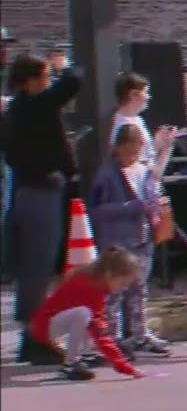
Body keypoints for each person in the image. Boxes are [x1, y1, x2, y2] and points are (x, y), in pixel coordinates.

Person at [3, 53, 82, 365]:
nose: (49, 82)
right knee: (38, 266)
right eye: (45, 76)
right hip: (40, 193)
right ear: (32, 80)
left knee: (32, 268)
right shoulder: (35, 105)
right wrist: (64, 65)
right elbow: (72, 83)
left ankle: (30, 335)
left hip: (26, 193)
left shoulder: (15, 111)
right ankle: (36, 338)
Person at [86, 123, 172, 358]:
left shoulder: (143, 171)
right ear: (119, 148)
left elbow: (152, 189)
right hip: (118, 242)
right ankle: (111, 337)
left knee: (139, 289)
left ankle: (139, 334)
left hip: (142, 238)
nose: (132, 157)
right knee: (114, 293)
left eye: (137, 152)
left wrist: (156, 207)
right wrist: (130, 207)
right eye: (129, 152)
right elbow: (96, 209)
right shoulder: (106, 174)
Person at [28, 246, 146, 381]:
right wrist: (125, 367)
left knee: (88, 317)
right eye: (123, 283)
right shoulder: (89, 288)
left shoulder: (93, 283)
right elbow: (100, 333)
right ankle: (70, 363)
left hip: (48, 323)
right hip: (43, 327)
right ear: (109, 274)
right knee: (84, 314)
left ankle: (83, 354)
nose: (123, 288)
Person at [111, 71, 178, 178]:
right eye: (146, 92)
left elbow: (144, 156)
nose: (148, 97)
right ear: (133, 95)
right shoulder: (127, 128)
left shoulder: (136, 120)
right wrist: (167, 148)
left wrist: (156, 143)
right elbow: (150, 176)